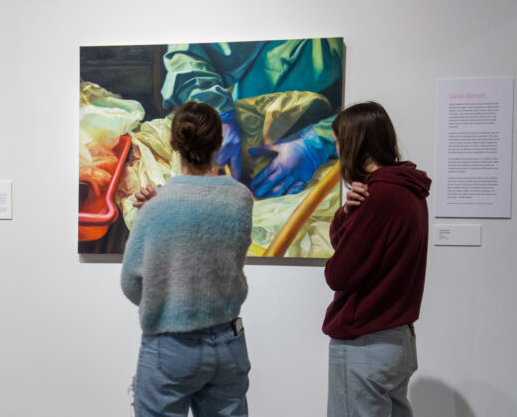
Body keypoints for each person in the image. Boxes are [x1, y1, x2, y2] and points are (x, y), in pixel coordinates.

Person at [121, 100, 254, 417]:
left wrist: (166, 300)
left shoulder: (156, 206)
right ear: (219, 143)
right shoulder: (240, 199)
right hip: (228, 343)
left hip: (171, 346)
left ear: (172, 142)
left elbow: (131, 282)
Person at [323, 101, 431, 417]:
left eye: (338, 140)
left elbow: (338, 274)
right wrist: (346, 214)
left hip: (366, 343)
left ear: (355, 142)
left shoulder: (380, 195)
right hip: (397, 339)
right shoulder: (408, 189)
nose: (337, 148)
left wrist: (353, 217)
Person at [160, 39, 343, 198]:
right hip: (242, 121)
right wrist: (217, 112)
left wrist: (318, 140)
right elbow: (186, 53)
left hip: (324, 148)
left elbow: (366, 109)